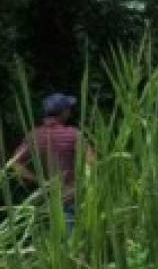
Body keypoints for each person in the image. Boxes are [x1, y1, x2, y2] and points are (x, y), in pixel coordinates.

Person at [11, 93, 95, 230]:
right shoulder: (73, 134)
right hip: (71, 197)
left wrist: (39, 181)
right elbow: (92, 162)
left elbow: (15, 163)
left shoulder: (34, 136)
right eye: (68, 108)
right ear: (64, 112)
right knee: (72, 244)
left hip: (44, 199)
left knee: (48, 242)